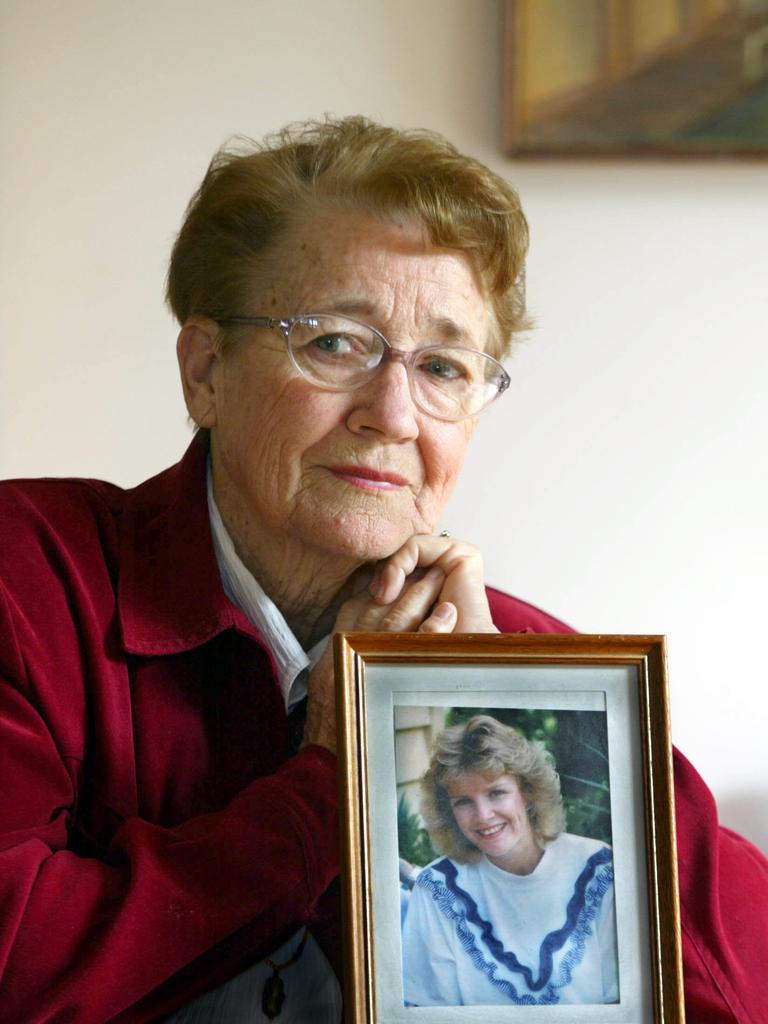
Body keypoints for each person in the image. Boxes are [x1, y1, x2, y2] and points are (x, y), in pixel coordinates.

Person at [0, 116, 765, 1023]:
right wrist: (333, 778)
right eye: (334, 342)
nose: (394, 414)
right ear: (206, 370)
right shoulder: (29, 576)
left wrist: (500, 698)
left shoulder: (526, 658)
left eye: (443, 367)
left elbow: (733, 988)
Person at [402, 715, 618, 1006]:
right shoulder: (437, 890)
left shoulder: (599, 871)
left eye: (497, 793)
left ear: (527, 793)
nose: (483, 815)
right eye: (463, 802)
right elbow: (429, 1010)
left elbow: (626, 1004)